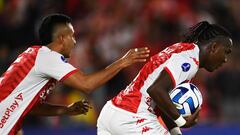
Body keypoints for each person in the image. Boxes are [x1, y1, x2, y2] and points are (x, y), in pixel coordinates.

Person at [0, 14, 150, 135]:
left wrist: (65, 110)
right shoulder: (47, 57)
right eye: (71, 36)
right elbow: (86, 84)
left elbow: (30, 106)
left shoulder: (36, 56)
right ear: (61, 39)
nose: (75, 41)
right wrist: (123, 62)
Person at [97, 21, 233, 135]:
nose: (226, 59)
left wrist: (176, 132)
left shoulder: (182, 50)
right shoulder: (189, 60)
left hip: (111, 113)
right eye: (226, 52)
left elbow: (162, 102)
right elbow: (156, 90)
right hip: (132, 118)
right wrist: (182, 121)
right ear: (214, 47)